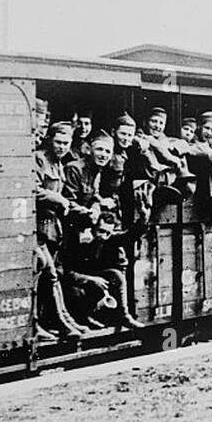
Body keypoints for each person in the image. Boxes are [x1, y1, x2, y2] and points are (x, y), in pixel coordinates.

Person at [62, 133, 145, 330]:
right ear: (90, 150)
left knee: (115, 274)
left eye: (107, 151)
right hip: (70, 231)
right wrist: (90, 214)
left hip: (85, 226)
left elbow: (92, 195)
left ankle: (123, 316)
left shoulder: (96, 172)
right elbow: (68, 201)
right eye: (99, 149)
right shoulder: (75, 169)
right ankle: (82, 318)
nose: (103, 154)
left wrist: (98, 203)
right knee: (74, 286)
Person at [33, 121, 90, 340]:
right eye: (58, 142)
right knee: (47, 275)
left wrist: (83, 210)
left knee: (51, 276)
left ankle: (63, 319)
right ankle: (47, 323)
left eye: (66, 143)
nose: (62, 147)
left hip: (52, 229)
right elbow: (35, 190)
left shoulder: (58, 164)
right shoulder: (39, 159)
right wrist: (56, 198)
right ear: (50, 139)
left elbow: (65, 198)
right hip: (38, 227)